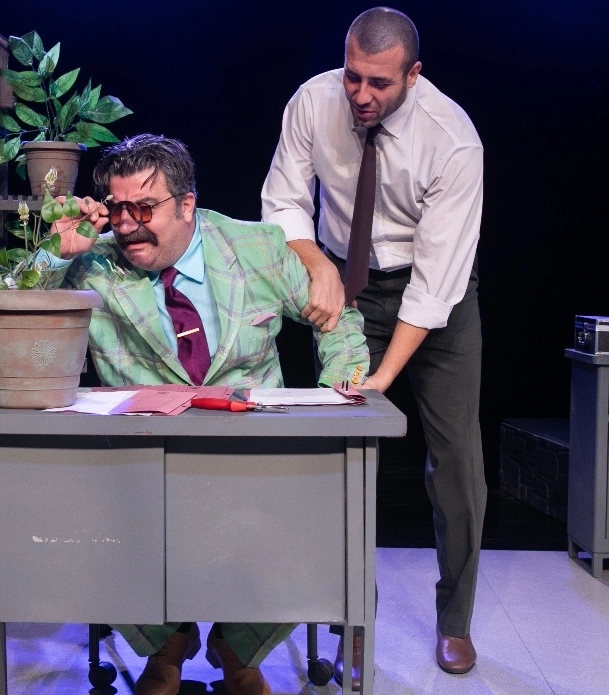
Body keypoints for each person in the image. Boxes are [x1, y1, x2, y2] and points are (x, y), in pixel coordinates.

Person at [50, 134, 370, 695]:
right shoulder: (93, 262)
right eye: (118, 210)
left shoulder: (257, 248)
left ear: (186, 204)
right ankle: (166, 644)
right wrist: (55, 255)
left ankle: (237, 648)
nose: (127, 226)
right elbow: (9, 302)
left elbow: (337, 319)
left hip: (255, 460)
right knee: (81, 512)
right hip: (142, 464)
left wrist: (337, 397)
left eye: (143, 209)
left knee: (321, 513)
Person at [261, 5, 486, 678]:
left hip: (436, 296)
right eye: (352, 76)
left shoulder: (452, 139)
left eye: (379, 83)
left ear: (412, 75)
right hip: (346, 283)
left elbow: (435, 282)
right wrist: (319, 266)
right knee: (344, 455)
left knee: (455, 461)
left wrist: (383, 377)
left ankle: (455, 619)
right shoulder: (312, 102)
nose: (360, 94)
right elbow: (283, 202)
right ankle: (352, 617)